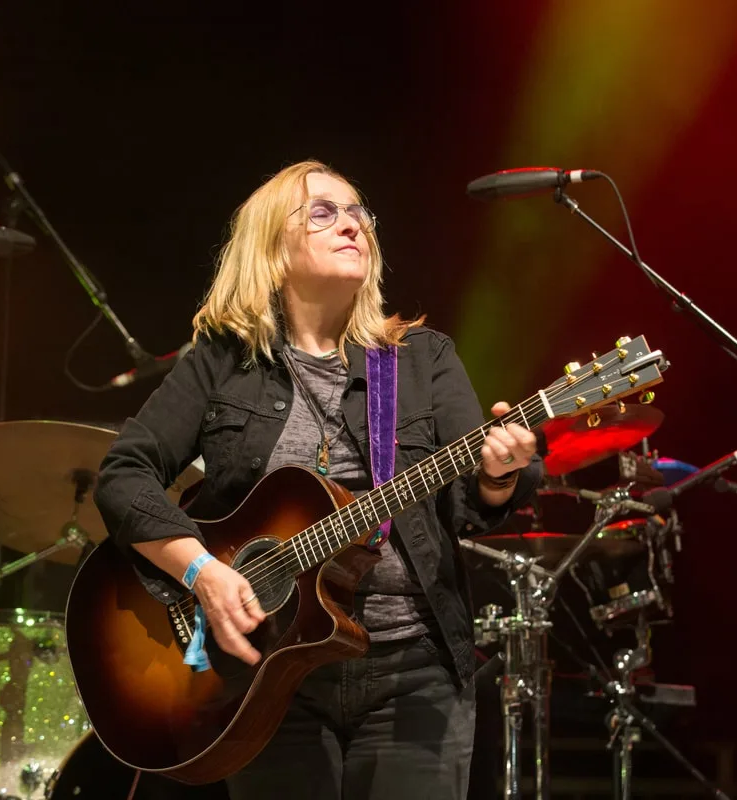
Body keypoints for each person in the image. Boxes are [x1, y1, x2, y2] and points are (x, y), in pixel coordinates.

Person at [94, 159, 543, 800]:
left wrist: (500, 474)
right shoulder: (222, 362)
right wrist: (204, 573)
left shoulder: (422, 360)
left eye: (359, 212)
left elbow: (477, 497)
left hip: (412, 671)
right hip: (267, 678)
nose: (352, 225)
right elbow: (123, 474)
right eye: (324, 213)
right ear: (271, 249)